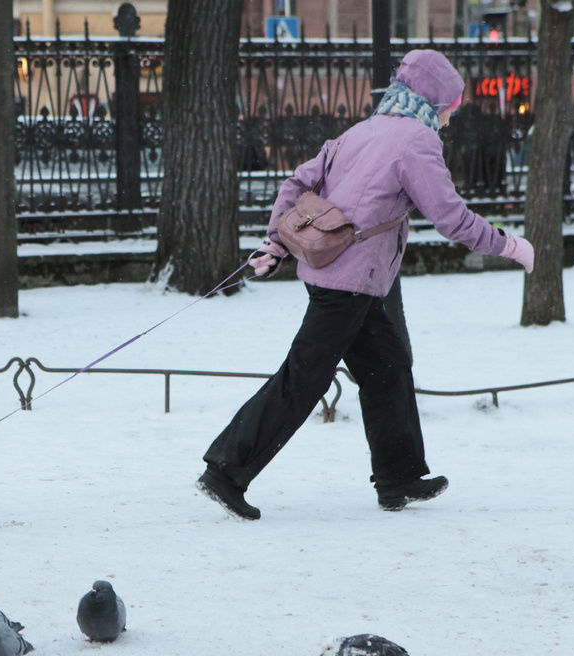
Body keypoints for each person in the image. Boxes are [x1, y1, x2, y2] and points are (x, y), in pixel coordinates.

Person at [197, 49, 534, 520]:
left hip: (349, 277)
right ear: (435, 99)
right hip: (350, 282)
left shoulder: (361, 130)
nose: (453, 114)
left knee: (387, 367)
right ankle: (227, 470)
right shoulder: (416, 141)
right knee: (303, 377)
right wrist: (508, 245)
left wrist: (276, 242)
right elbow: (451, 219)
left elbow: (295, 184)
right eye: (452, 105)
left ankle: (399, 477)